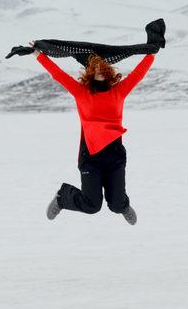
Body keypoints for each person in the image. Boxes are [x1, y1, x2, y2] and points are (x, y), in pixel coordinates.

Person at [30, 41, 155, 225]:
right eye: (95, 67)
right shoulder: (81, 92)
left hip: (114, 157)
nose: (99, 70)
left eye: (102, 67)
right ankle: (63, 197)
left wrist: (152, 53)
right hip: (90, 158)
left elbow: (138, 74)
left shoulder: (118, 92)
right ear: (89, 72)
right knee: (91, 205)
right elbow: (58, 74)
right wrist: (38, 55)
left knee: (117, 205)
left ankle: (123, 206)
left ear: (108, 71)